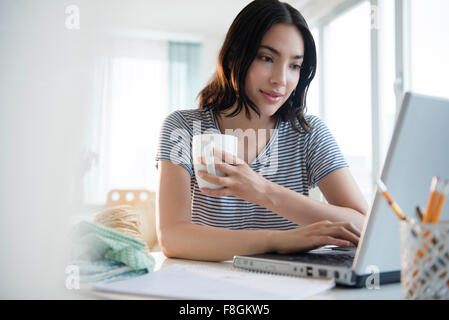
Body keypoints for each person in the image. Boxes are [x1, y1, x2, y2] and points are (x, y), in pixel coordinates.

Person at [155, 0, 368, 261]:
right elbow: (173, 237)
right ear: (233, 57)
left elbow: (363, 225)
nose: (280, 79)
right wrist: (277, 241)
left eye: (294, 66)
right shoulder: (183, 128)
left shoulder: (309, 135)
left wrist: (263, 191)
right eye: (267, 58)